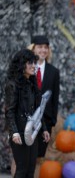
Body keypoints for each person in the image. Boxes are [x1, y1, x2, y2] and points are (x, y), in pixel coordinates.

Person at [4, 49, 50, 178]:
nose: (34, 66)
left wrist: (44, 129)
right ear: (21, 64)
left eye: (34, 63)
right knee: (21, 169)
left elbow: (38, 110)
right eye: (30, 63)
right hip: (19, 132)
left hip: (32, 132)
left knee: (31, 170)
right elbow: (10, 111)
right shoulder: (12, 85)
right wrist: (14, 132)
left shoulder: (32, 84)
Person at [30, 35, 60, 158]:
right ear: (33, 49)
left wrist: (52, 121)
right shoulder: (27, 69)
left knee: (39, 156)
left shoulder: (54, 72)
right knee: (27, 155)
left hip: (45, 121)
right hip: (28, 118)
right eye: (40, 47)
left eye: (46, 47)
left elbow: (55, 98)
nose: (43, 50)